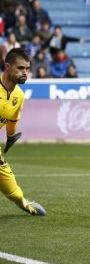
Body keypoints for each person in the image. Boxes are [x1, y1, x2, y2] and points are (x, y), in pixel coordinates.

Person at [0, 48, 46, 216]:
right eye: (20, 68)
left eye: (27, 68)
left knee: (13, 191)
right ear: (7, 67)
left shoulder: (19, 96)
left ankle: (24, 203)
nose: (25, 73)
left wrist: (10, 137)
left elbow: (12, 121)